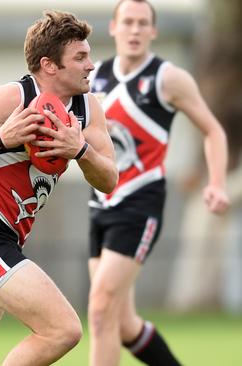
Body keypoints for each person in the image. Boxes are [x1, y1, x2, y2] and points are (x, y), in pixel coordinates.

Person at [0, 10, 118, 366]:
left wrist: (81, 151)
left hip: (6, 239)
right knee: (63, 329)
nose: (91, 65)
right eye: (80, 57)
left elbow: (109, 179)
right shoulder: (11, 97)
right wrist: (1, 138)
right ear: (49, 65)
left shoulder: (89, 111)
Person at [87, 1, 230, 365]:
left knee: (101, 309)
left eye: (143, 24)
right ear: (113, 28)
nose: (135, 30)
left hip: (141, 202)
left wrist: (215, 183)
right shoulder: (95, 77)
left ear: (154, 31)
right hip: (99, 202)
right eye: (128, 22)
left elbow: (213, 131)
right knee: (122, 322)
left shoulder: (169, 79)